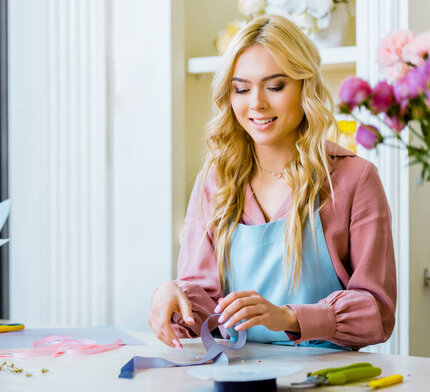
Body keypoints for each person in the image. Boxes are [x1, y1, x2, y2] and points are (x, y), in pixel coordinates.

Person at [148, 15, 396, 351]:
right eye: (241, 88)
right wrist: (171, 295)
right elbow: (204, 302)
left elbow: (377, 312)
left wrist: (288, 318)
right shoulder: (216, 180)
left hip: (327, 382)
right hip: (239, 375)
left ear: (304, 87)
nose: (256, 103)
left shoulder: (355, 180)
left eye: (275, 86)